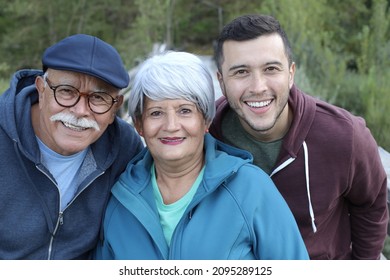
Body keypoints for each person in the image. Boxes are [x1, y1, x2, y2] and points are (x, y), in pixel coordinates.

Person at [94, 51, 309, 260]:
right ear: (140, 125)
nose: (171, 126)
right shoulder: (121, 199)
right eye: (156, 113)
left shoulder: (250, 189)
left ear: (205, 120)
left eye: (185, 111)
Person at [209, 14, 389, 259]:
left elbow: (371, 204)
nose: (258, 86)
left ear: (291, 73)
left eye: (271, 69)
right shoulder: (204, 136)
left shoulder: (344, 136)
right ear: (221, 81)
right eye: (241, 72)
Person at [0, 34, 144, 259]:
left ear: (116, 107)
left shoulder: (124, 147)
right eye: (67, 91)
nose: (80, 111)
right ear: (41, 89)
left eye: (98, 97)